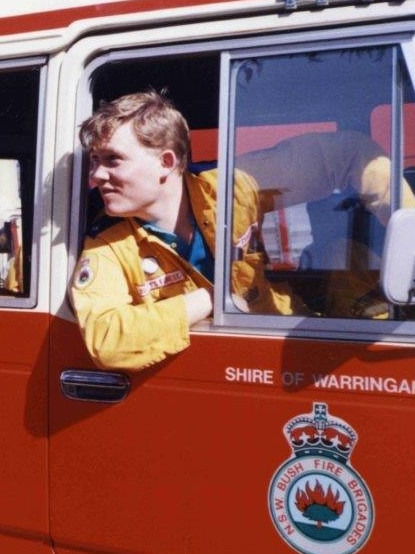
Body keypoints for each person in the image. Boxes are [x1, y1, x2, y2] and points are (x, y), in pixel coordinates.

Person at [70, 90, 306, 372]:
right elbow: (107, 341)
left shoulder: (231, 187)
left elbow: (345, 154)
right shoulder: (106, 244)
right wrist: (210, 300)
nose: (95, 175)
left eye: (112, 159)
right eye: (95, 160)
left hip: (295, 347)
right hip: (218, 372)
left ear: (166, 163)